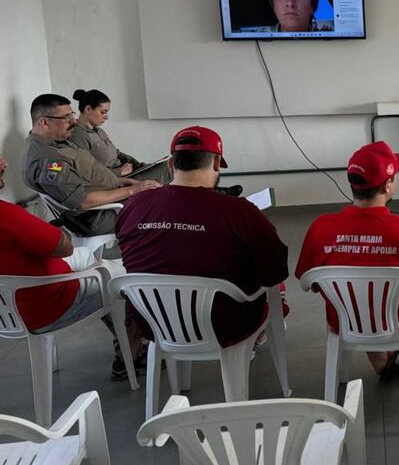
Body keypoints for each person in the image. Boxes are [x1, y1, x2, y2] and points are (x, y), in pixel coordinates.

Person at [115, 126, 289, 349]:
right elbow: (274, 272)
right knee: (277, 289)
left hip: (154, 324)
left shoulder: (133, 206)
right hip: (225, 325)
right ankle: (252, 343)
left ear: (171, 164)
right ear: (216, 163)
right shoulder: (240, 211)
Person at [296, 141, 399, 376]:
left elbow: (310, 282)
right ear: (388, 185)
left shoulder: (320, 227)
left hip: (345, 321)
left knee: (360, 294)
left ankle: (378, 358)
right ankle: (392, 357)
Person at [22, 93, 161, 235]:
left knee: (164, 195)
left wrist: (122, 181)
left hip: (111, 198)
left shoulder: (57, 142)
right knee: (165, 206)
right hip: (97, 215)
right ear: (44, 122)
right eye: (66, 118)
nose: (73, 122)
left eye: (72, 115)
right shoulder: (47, 160)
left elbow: (87, 176)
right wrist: (133, 190)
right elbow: (81, 202)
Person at [0, 154, 106, 333]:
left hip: (6, 315)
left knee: (86, 255)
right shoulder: (7, 215)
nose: (4, 163)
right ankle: (132, 347)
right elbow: (65, 247)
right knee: (122, 278)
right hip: (49, 307)